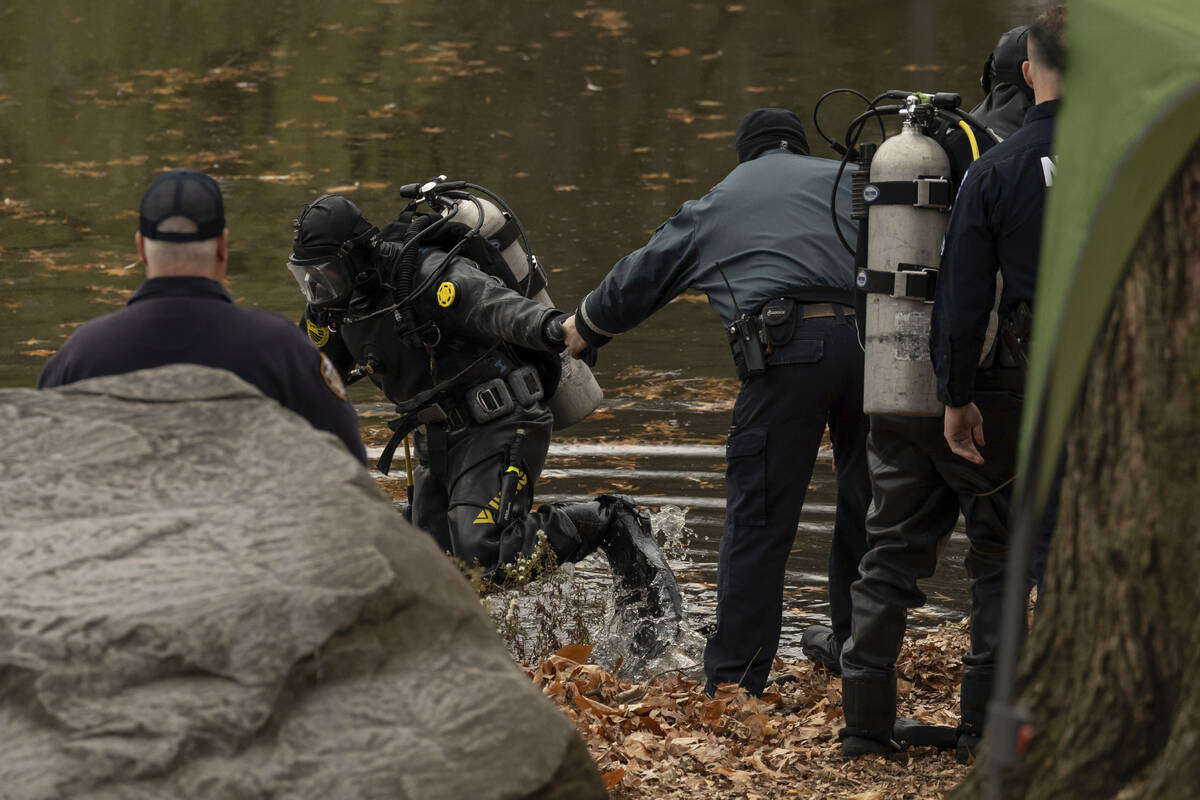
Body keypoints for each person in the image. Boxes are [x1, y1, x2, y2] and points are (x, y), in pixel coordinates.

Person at [285, 190, 682, 655]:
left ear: (355, 255)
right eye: (307, 277)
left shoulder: (424, 274)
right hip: (437, 437)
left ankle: (607, 522)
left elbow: (496, 307)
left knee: (483, 555)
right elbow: (299, 372)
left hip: (500, 418)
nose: (319, 288)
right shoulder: (335, 309)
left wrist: (556, 328)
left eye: (326, 273)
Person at [563, 108, 870, 696]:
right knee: (866, 504)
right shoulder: (852, 180)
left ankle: (734, 681)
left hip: (787, 354)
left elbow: (642, 276)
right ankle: (861, 654)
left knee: (759, 518)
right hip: (873, 351)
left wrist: (584, 328)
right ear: (798, 149)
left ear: (745, 155)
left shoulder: (719, 202)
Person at [838, 6, 1065, 763]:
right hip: (999, 396)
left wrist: (943, 386)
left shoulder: (949, 154)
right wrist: (965, 395)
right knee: (998, 556)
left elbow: (940, 287)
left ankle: (864, 729)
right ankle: (979, 731)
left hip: (904, 381)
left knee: (888, 553)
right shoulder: (1047, 159)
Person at [38, 168, 367, 464]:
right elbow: (347, 464)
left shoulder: (78, 357)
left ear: (140, 249)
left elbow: (32, 469)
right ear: (223, 247)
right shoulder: (284, 351)